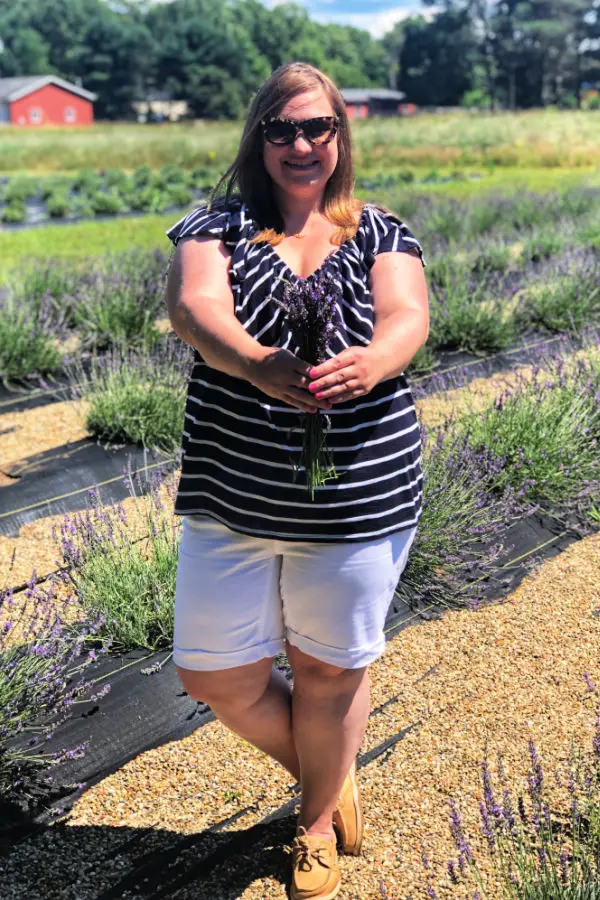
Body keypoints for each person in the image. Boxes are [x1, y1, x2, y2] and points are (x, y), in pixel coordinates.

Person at [165, 61, 429, 900]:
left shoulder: (381, 231)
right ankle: (332, 769)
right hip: (233, 492)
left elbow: (408, 316)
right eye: (282, 130)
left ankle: (313, 826)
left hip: (357, 493)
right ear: (259, 140)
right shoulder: (216, 225)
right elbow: (194, 309)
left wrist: (375, 363)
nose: (301, 144)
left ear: (341, 136)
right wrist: (255, 363)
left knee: (327, 670)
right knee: (214, 673)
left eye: (317, 128)